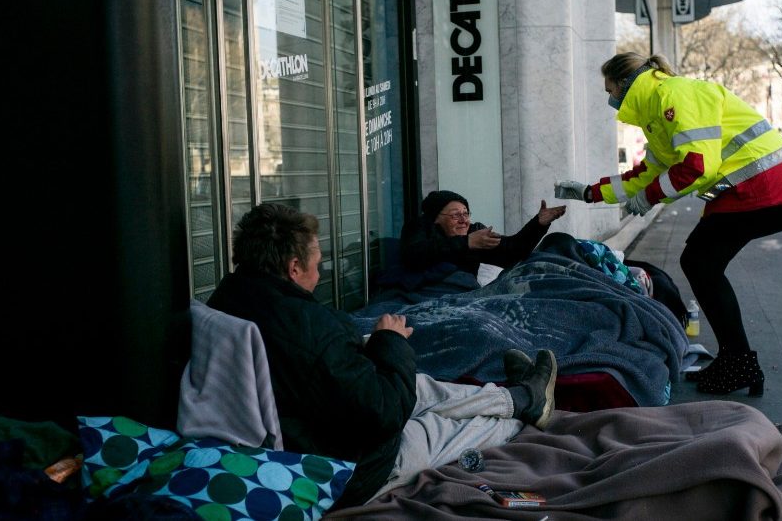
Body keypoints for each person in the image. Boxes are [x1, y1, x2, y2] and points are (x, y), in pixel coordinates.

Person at [206, 203, 558, 509]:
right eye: (317, 261)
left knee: (423, 389)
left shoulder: (229, 296)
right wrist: (389, 342)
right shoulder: (313, 327)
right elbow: (385, 412)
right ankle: (519, 415)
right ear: (295, 267)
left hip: (304, 420)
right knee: (436, 427)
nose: (322, 271)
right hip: (346, 467)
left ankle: (519, 396)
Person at [555, 52, 782, 397]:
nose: (610, 99)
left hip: (766, 186)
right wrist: (590, 192)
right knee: (701, 263)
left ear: (624, 83)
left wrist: (650, 197)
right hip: (753, 188)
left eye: (610, 89)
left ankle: (738, 363)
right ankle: (737, 362)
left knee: (701, 263)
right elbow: (646, 173)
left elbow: (697, 165)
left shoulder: (674, 95)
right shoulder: (656, 114)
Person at [400, 190, 566, 275]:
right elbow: (413, 255)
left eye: (466, 213)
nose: (464, 220)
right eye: (456, 215)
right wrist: (466, 243)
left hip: (464, 296)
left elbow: (513, 252)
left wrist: (538, 223)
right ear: (436, 219)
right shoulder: (419, 227)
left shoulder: (475, 232)